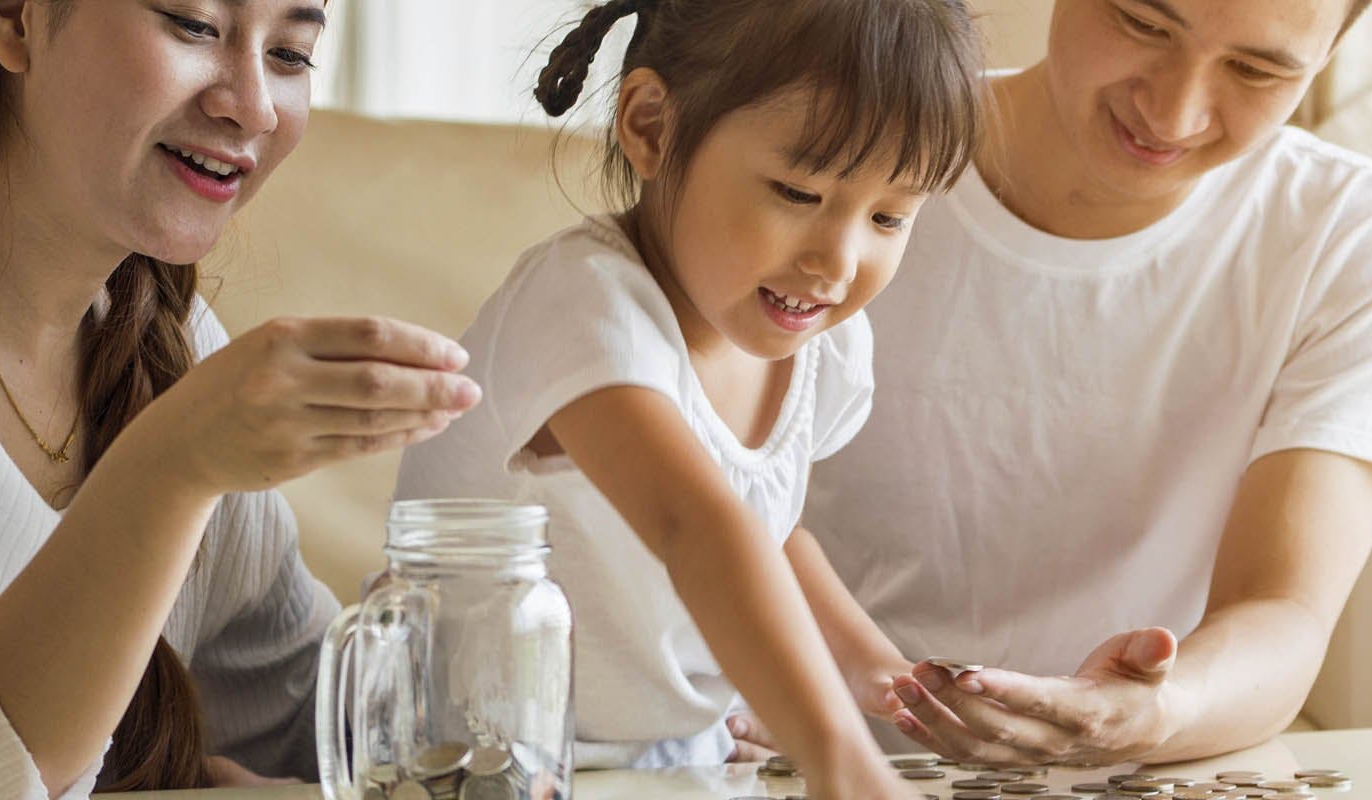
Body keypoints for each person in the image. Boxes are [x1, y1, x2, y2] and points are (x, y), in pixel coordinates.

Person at [0, 0, 482, 796]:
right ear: (11, 17)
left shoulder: (167, 334)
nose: (252, 104)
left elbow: (305, 724)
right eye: (193, 24)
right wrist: (173, 462)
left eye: (291, 54)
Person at [794, 0, 1372, 767]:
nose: (1173, 114)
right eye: (1143, 24)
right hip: (789, 741)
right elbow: (723, 493)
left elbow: (1284, 610)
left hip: (1133, 771)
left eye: (1257, 69)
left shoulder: (1352, 237)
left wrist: (1158, 710)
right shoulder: (832, 158)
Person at [386, 0, 983, 794]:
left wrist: (872, 665)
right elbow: (695, 525)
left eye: (889, 216)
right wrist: (839, 754)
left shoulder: (820, 341)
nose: (836, 264)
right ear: (652, 128)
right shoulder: (582, 303)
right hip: (481, 762)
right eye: (797, 193)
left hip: (677, 759)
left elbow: (770, 534)